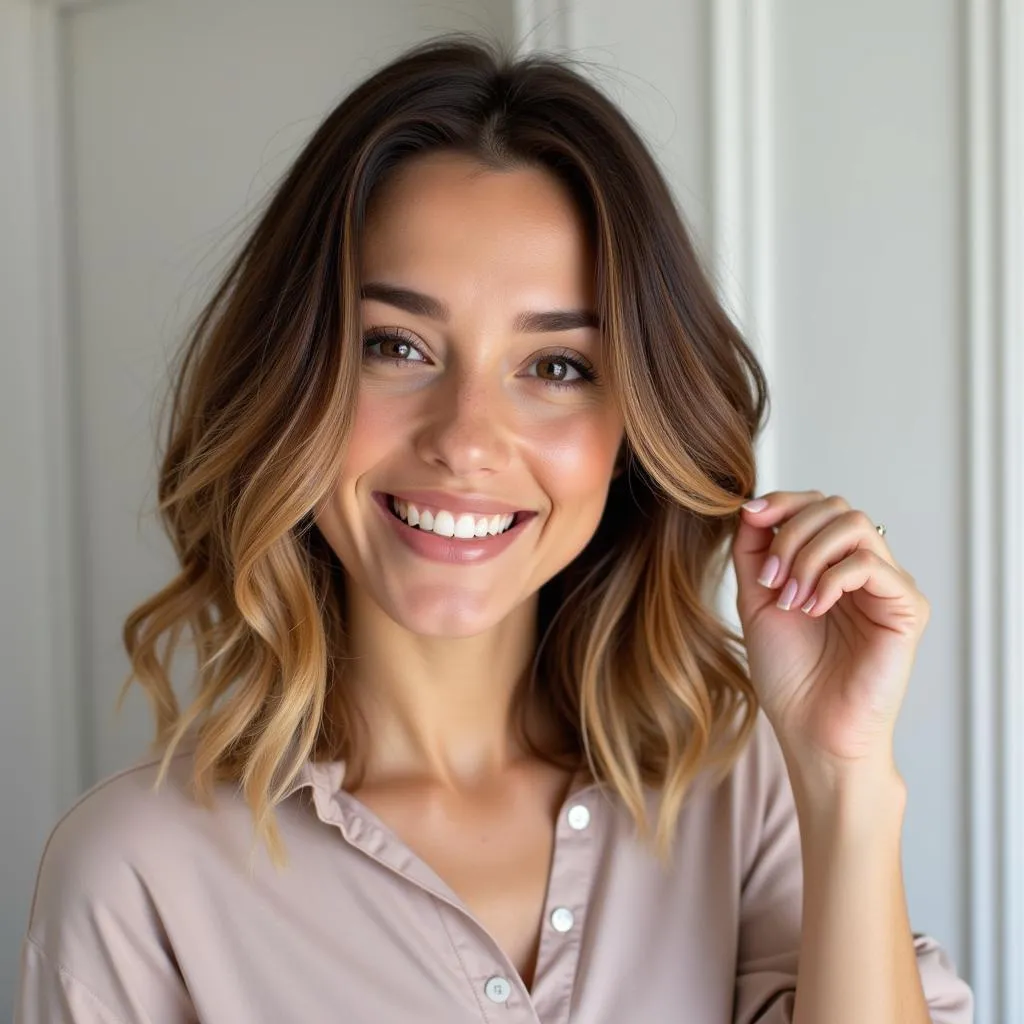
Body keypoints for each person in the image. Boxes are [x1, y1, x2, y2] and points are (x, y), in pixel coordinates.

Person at [16, 33, 973, 1024]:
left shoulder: (745, 795)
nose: (466, 441)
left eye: (555, 366)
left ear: (633, 428)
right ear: (292, 385)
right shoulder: (135, 877)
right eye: (396, 346)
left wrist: (845, 780)